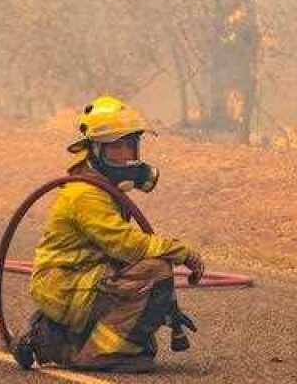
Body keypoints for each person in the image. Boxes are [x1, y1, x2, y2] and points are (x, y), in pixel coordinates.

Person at [15, 96, 205, 373]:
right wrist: (182, 252)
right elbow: (126, 245)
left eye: (132, 145)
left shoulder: (102, 187)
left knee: (142, 343)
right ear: (95, 150)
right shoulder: (85, 194)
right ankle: (90, 354)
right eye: (118, 147)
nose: (128, 156)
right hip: (64, 285)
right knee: (155, 271)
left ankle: (55, 336)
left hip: (78, 277)